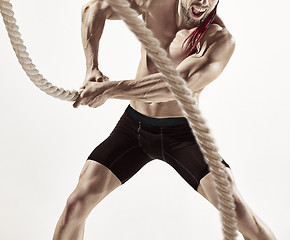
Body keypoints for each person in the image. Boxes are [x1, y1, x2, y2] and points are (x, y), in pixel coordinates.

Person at [53, 0, 276, 239]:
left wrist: (109, 90)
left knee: (240, 215)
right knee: (76, 205)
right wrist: (92, 68)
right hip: (133, 128)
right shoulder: (154, 3)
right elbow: (94, 8)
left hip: (182, 135)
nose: (202, 2)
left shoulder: (219, 40)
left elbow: (178, 86)